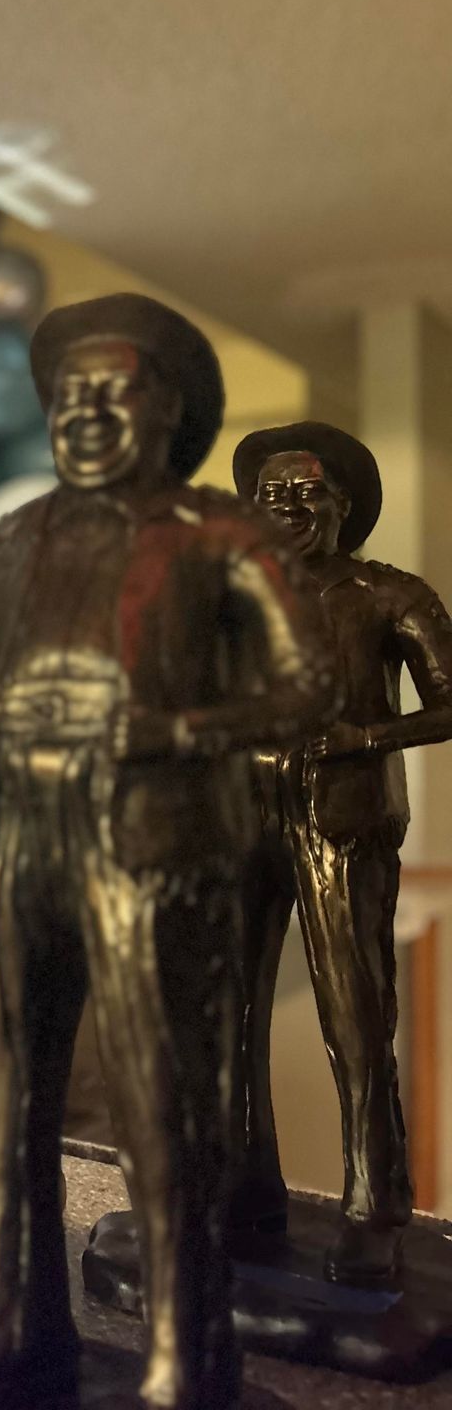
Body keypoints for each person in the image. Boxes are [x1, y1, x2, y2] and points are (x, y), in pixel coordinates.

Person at [0, 295, 336, 1410]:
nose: (89, 414)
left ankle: (184, 1359)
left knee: (167, 1108)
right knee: (9, 1098)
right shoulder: (7, 543)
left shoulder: (219, 536)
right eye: (71, 396)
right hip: (15, 848)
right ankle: (6, 1327)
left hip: (153, 850)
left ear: (170, 411)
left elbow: (310, 685)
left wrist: (182, 731)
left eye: (116, 393)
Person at [233, 422, 452, 1285]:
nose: (288, 510)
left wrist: (367, 734)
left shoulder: (388, 593)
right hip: (240, 814)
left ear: (344, 507)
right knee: (233, 1012)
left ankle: (374, 1206)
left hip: (344, 816)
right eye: (271, 497)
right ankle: (244, 1186)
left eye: (307, 493)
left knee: (356, 1020)